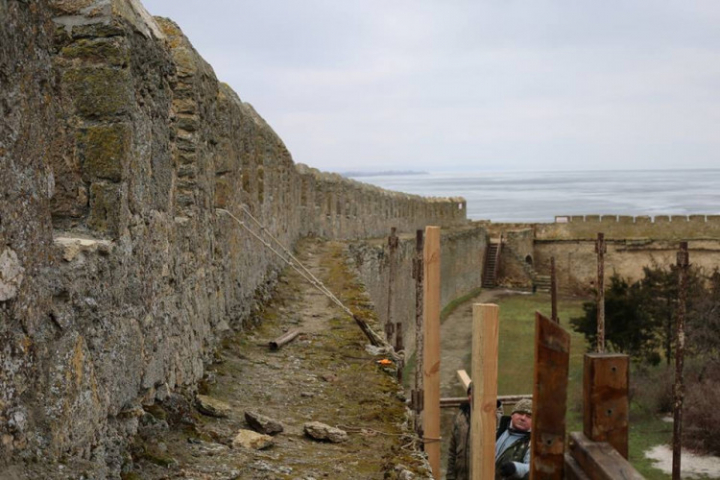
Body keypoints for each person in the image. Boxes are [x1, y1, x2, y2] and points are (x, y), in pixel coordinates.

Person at [446, 383, 504, 480]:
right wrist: (450, 476)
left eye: (475, 395)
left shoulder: (496, 420)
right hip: (461, 476)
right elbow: (453, 450)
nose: (470, 398)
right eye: (469, 394)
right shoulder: (461, 417)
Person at [495, 398, 532, 480]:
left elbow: (532, 467)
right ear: (512, 415)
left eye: (528, 416)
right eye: (520, 413)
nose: (523, 418)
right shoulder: (502, 429)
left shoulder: (532, 442)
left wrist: (515, 468)